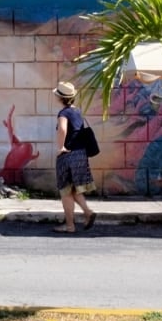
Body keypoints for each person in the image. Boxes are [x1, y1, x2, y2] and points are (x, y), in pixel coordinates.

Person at [53, 81, 97, 233]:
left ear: (59, 98)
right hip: (81, 154)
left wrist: (61, 147)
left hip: (68, 155)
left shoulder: (63, 113)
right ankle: (88, 212)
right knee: (74, 190)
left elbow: (62, 129)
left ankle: (70, 225)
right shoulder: (77, 111)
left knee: (65, 191)